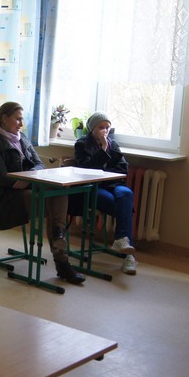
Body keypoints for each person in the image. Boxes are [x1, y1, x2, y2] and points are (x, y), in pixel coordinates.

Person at [0, 101, 85, 284]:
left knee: (59, 191)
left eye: (22, 119)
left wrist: (28, 178)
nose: (21, 124)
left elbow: (39, 165)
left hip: (29, 189)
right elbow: (2, 177)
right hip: (6, 199)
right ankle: (61, 258)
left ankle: (59, 241)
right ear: (4, 118)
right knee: (50, 203)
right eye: (17, 119)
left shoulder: (23, 138)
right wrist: (29, 179)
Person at [73, 112, 137, 275]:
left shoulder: (113, 144)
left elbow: (123, 168)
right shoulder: (82, 144)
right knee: (124, 209)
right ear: (92, 128)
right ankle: (129, 256)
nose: (105, 131)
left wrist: (106, 170)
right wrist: (102, 149)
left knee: (126, 194)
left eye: (107, 127)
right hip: (95, 187)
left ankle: (122, 241)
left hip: (114, 184)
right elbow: (87, 169)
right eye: (101, 127)